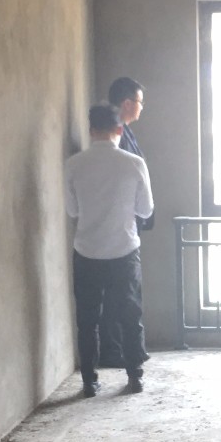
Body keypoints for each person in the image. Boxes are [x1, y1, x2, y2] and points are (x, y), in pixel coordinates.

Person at [65, 103, 154, 397]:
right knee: (130, 316)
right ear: (119, 129)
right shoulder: (134, 163)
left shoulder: (73, 164)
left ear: (91, 130)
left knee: (88, 319)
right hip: (124, 250)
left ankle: (89, 381)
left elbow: (72, 210)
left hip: (86, 251)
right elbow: (146, 209)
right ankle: (134, 376)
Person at [98, 77, 152, 370]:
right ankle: (115, 350)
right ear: (128, 104)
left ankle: (124, 350)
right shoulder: (114, 135)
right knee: (121, 294)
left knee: (124, 293)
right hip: (119, 230)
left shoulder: (123, 131)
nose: (142, 108)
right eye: (140, 102)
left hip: (125, 227)